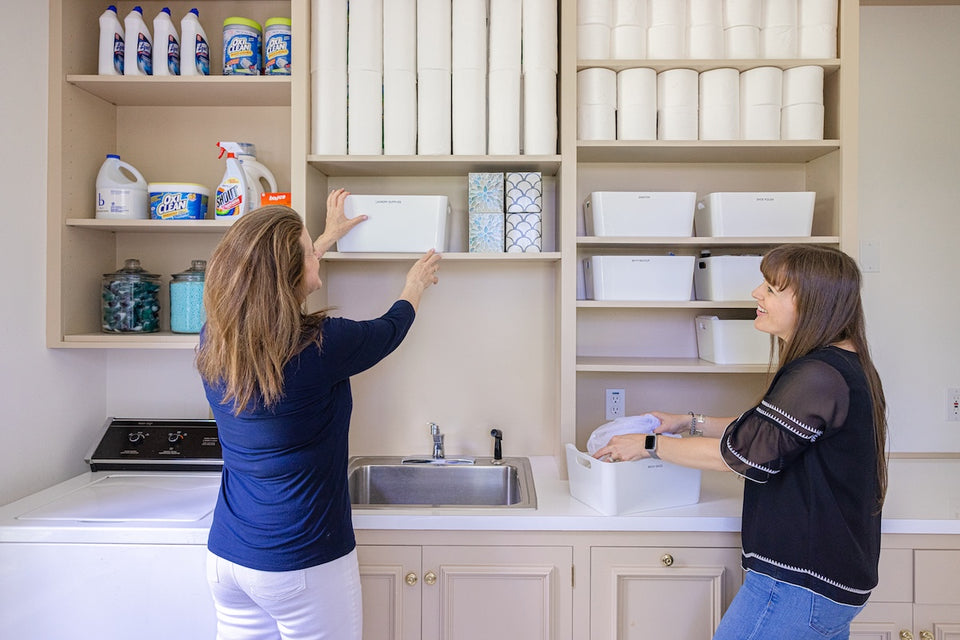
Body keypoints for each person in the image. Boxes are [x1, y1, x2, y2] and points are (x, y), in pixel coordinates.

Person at [594, 244, 887, 640]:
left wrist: (649, 444)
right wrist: (688, 422)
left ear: (814, 301)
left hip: (798, 585)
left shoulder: (816, 376)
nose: (756, 294)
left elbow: (744, 455)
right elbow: (769, 431)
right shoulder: (841, 363)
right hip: (826, 581)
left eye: (772, 288)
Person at [196, 188, 441, 640]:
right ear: (292, 271)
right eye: (311, 252)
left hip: (228, 560)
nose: (317, 256)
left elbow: (267, 281)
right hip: (301, 563)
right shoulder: (323, 344)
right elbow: (390, 328)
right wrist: (415, 283)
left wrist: (325, 238)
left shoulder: (216, 337)